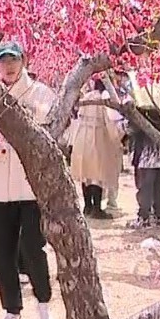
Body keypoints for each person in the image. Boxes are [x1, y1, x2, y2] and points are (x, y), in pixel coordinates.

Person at [0, 42, 56, 319]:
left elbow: (52, 135)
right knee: (3, 253)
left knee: (34, 249)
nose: (8, 66)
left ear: (24, 61)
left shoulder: (42, 96)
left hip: (30, 186)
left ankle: (44, 306)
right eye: (3, 61)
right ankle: (12, 313)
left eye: (14, 60)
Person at [70, 79, 125, 219]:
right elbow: (110, 120)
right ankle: (97, 208)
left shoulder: (87, 96)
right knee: (97, 175)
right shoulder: (104, 98)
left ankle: (87, 206)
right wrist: (119, 137)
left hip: (82, 137)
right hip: (98, 137)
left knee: (86, 174)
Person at [128, 106, 160, 229]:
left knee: (145, 188)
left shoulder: (140, 114)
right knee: (159, 188)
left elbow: (128, 130)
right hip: (159, 158)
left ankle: (144, 217)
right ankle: (159, 216)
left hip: (145, 158)